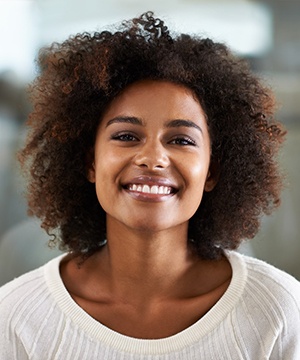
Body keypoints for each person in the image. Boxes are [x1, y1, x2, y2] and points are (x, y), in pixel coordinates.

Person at [0, 11, 299, 359]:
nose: (153, 158)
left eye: (182, 140)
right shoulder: (17, 317)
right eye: (126, 135)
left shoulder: (277, 310)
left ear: (213, 171)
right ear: (90, 163)